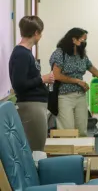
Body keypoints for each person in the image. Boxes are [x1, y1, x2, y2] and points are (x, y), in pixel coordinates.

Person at [49, 28, 98, 137]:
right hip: (64, 97)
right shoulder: (60, 53)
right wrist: (77, 81)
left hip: (81, 96)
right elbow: (56, 75)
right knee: (67, 131)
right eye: (83, 39)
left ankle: (80, 153)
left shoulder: (81, 55)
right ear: (74, 39)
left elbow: (96, 72)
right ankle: (68, 154)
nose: (84, 42)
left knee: (82, 130)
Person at [9, 16, 54, 151]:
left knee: (37, 145)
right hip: (31, 107)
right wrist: (42, 79)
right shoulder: (21, 54)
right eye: (40, 32)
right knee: (35, 148)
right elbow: (19, 84)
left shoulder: (26, 53)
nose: (41, 36)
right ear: (36, 32)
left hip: (35, 105)